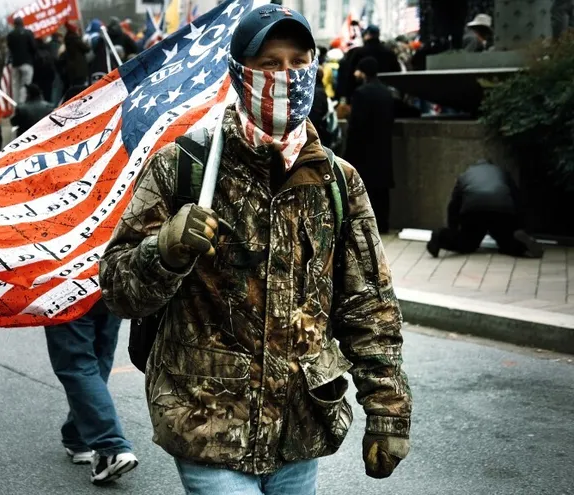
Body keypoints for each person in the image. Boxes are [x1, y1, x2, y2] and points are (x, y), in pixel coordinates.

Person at [100, 6, 411, 494]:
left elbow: (368, 302)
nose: (286, 76)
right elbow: (119, 289)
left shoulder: (336, 180)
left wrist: (388, 411)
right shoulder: (182, 166)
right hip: (206, 422)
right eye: (269, 64)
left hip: (302, 427)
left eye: (298, 61)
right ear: (239, 75)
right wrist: (165, 251)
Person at [44, 301, 138, 485]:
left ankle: (111, 447)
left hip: (66, 286)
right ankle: (77, 436)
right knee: (99, 358)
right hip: (108, 282)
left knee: (77, 365)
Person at [428, 160, 543, 259]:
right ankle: (521, 244)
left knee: (467, 243)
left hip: (474, 209)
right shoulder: (501, 172)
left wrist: (452, 229)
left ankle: (441, 236)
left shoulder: (465, 175)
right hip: (501, 208)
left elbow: (454, 204)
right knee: (506, 241)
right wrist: (520, 226)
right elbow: (517, 198)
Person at [344, 57, 395, 234]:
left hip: (364, 149)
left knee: (366, 187)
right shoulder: (386, 92)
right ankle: (384, 223)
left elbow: (356, 126)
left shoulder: (361, 93)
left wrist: (347, 153)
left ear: (363, 72)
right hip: (383, 146)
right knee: (382, 188)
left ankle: (368, 224)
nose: (355, 74)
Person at [336, 25, 399, 104]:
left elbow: (349, 76)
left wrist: (347, 96)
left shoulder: (358, 53)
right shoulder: (389, 53)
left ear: (367, 35)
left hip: (361, 95)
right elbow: (396, 73)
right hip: (385, 94)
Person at [6, 17, 38, 105]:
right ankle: (22, 104)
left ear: (14, 24)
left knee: (15, 85)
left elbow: (10, 48)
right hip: (27, 62)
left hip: (15, 63)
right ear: (22, 23)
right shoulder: (28, 33)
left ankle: (15, 105)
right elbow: (34, 47)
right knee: (26, 85)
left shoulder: (10, 35)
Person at [63, 21, 91, 94]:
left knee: (75, 87)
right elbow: (86, 48)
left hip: (72, 68)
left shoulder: (67, 38)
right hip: (79, 68)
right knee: (81, 87)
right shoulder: (74, 38)